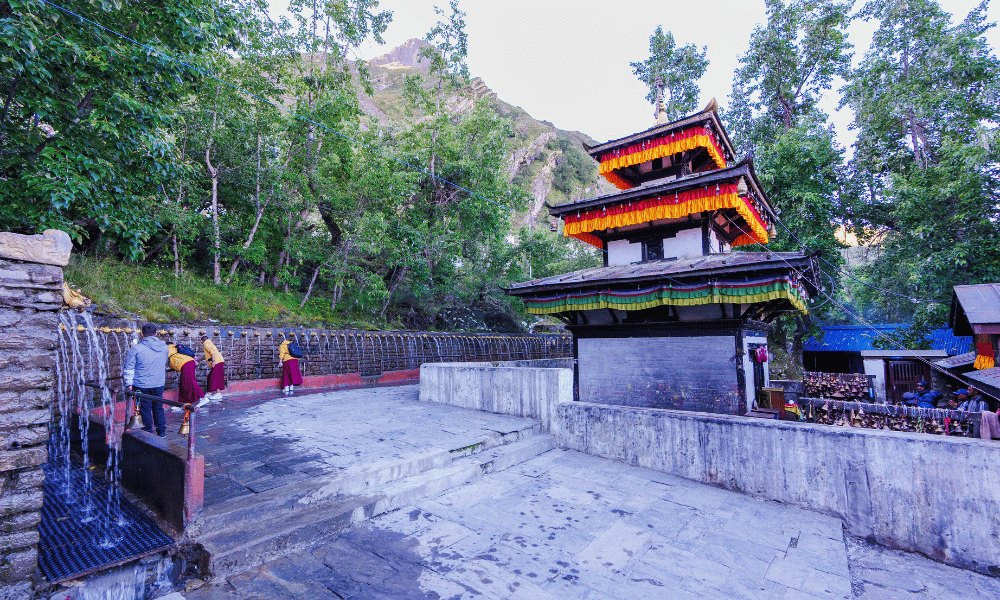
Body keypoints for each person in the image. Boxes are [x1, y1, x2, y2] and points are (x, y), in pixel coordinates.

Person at [122, 323, 169, 437]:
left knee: (145, 408)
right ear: (156, 334)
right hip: (159, 383)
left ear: (142, 334)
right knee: (158, 407)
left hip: (141, 384)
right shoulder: (164, 347)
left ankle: (148, 433)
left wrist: (129, 383)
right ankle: (161, 432)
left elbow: (128, 367)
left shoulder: (136, 349)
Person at [168, 343, 206, 407]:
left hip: (186, 364)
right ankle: (183, 403)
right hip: (189, 363)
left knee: (191, 382)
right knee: (184, 384)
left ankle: (203, 398)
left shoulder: (168, 350)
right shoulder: (174, 349)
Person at [201, 335, 226, 403]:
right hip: (219, 361)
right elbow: (209, 354)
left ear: (202, 341)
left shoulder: (206, 344)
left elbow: (213, 353)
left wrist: (213, 361)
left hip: (217, 362)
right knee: (214, 377)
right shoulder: (209, 343)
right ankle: (212, 393)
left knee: (213, 377)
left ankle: (214, 393)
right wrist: (200, 359)